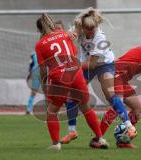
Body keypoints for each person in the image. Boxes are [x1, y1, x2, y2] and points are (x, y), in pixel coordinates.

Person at [61, 7, 137, 145]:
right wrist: (68, 37)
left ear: (96, 26)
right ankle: (72, 131)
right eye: (87, 29)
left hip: (103, 64)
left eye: (92, 29)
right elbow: (65, 40)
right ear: (83, 26)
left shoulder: (100, 37)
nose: (89, 32)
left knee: (110, 95)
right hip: (86, 63)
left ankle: (129, 126)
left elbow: (92, 64)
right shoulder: (78, 27)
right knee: (72, 96)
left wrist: (72, 65)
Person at [35, 13, 109, 150]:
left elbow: (43, 69)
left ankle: (56, 144)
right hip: (76, 73)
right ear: (52, 24)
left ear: (39, 30)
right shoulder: (64, 34)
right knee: (85, 107)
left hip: (59, 78)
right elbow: (73, 53)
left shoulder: (40, 45)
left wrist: (44, 84)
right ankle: (100, 138)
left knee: (52, 111)